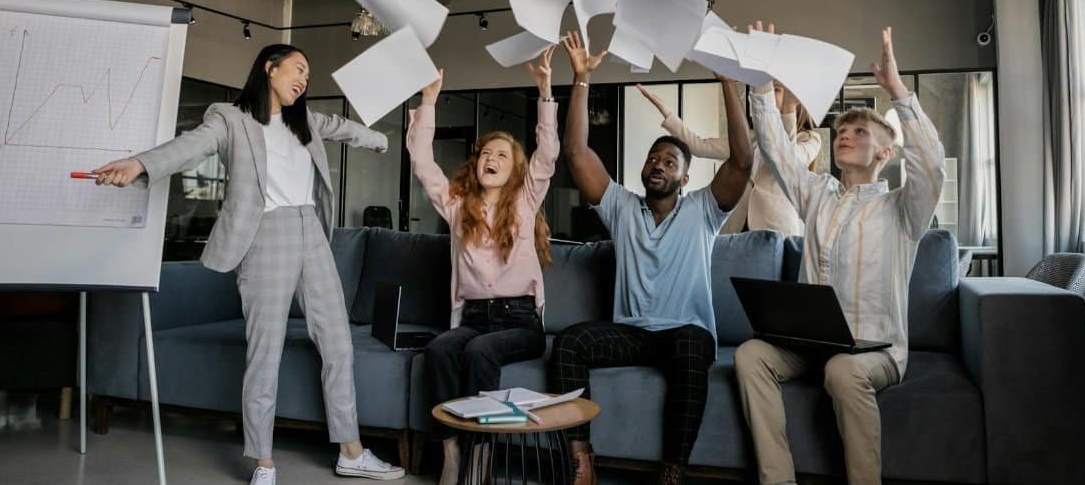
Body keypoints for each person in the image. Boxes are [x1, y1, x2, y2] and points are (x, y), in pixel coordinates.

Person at [93, 44, 404, 485]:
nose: (303, 79)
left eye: (308, 74)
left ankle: (351, 451)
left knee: (338, 344)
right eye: (297, 68)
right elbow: (190, 147)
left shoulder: (306, 123)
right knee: (265, 351)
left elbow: (344, 128)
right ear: (269, 68)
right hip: (265, 237)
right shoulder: (230, 118)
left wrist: (386, 139)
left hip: (312, 233)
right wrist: (140, 163)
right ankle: (263, 461)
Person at [736, 25, 946, 485]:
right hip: (812, 346)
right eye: (841, 130)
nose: (843, 135)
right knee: (751, 354)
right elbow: (775, 150)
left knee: (843, 369)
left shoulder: (902, 209)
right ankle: (779, 481)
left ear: (886, 152)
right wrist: (760, 81)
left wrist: (897, 92)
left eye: (858, 131)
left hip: (875, 351)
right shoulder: (818, 194)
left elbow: (930, 167)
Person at [549, 32, 753, 485]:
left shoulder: (703, 209)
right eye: (652, 158)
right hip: (632, 333)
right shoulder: (621, 206)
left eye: (669, 161)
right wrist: (581, 79)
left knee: (690, 343)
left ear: (685, 177)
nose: (658, 164)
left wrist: (729, 86)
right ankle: (581, 459)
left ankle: (672, 472)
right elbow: (576, 152)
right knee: (567, 344)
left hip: (685, 334)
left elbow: (741, 162)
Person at [406, 47, 560, 485]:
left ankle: (481, 454)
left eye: (502, 156)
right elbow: (422, 162)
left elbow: (547, 154)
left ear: (515, 171)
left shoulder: (527, 202)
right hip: (473, 318)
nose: (491, 159)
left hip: (520, 321)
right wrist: (430, 100)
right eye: (485, 154)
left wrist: (545, 90)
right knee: (438, 349)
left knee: (479, 352)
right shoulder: (457, 207)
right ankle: (451, 449)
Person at [636, 78, 822, 235]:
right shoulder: (751, 137)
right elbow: (700, 146)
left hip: (775, 227)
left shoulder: (809, 139)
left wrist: (788, 111)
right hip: (738, 224)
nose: (770, 95)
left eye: (777, 90)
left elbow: (784, 160)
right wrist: (666, 112)